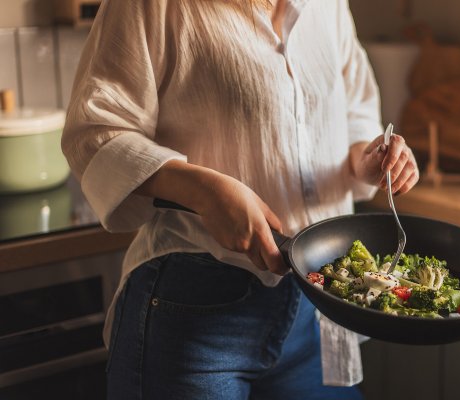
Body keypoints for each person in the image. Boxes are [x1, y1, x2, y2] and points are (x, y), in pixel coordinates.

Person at [61, 0, 419, 399]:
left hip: (318, 305)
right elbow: (95, 133)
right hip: (195, 310)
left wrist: (368, 159)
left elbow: (355, 112)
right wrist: (206, 192)